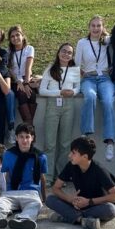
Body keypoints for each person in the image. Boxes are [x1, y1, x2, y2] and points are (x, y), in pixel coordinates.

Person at [0, 123, 47, 229]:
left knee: (35, 205)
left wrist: (44, 198)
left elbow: (42, 177)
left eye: (27, 137)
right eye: (21, 137)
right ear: (16, 138)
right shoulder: (8, 154)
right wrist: (2, 194)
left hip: (31, 193)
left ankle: (24, 220)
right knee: (0, 203)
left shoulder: (41, 157)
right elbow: (7, 175)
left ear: (32, 138)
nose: (24, 140)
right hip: (12, 192)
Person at [46, 136, 115, 229]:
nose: (69, 155)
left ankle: (68, 216)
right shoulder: (71, 165)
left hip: (95, 205)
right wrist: (70, 199)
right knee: (50, 199)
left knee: (111, 209)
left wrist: (89, 201)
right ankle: (82, 220)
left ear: (85, 157)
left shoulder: (99, 170)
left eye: (73, 153)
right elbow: (56, 188)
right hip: (77, 205)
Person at [76, 16, 115, 161]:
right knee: (90, 96)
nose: (96, 28)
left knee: (108, 101)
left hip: (105, 78)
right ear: (89, 27)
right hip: (88, 77)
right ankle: (86, 135)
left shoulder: (107, 41)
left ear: (103, 27)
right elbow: (76, 64)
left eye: (99, 26)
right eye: (93, 26)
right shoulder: (82, 42)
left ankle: (110, 141)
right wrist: (83, 75)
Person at [38, 43, 80, 182]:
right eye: (64, 51)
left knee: (65, 144)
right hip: (53, 105)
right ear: (58, 52)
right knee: (50, 144)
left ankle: (60, 177)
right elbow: (42, 90)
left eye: (69, 53)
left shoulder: (74, 70)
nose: (66, 54)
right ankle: (48, 177)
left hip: (68, 105)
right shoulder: (50, 68)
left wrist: (72, 92)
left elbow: (77, 88)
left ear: (72, 56)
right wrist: (59, 92)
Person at [5, 25, 37, 139]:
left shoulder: (29, 48)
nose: (15, 38)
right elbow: (9, 69)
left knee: (31, 94)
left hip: (26, 78)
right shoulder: (8, 51)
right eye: (12, 36)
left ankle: (28, 129)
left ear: (22, 36)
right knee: (22, 94)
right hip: (14, 80)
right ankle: (30, 130)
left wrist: (26, 83)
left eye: (17, 35)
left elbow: (28, 67)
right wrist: (18, 81)